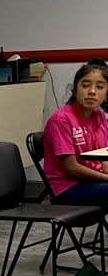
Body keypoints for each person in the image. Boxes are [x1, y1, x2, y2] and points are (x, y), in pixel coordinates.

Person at [43, 60, 108, 205]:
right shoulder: (61, 119)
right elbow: (71, 169)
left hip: (94, 181)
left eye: (100, 87)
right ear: (75, 89)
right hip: (67, 187)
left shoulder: (99, 116)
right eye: (85, 85)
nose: (92, 91)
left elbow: (104, 159)